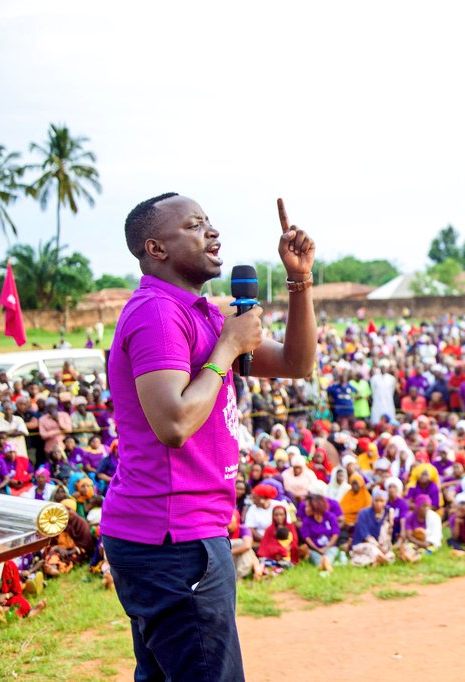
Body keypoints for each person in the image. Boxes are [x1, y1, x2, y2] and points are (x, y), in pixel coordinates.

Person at [100, 194, 317, 681]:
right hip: (171, 536)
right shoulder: (157, 313)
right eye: (195, 226)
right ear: (155, 248)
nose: (213, 232)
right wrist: (229, 347)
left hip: (182, 530)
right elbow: (174, 423)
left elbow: (295, 363)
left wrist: (300, 280)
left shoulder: (202, 313)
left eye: (210, 222)